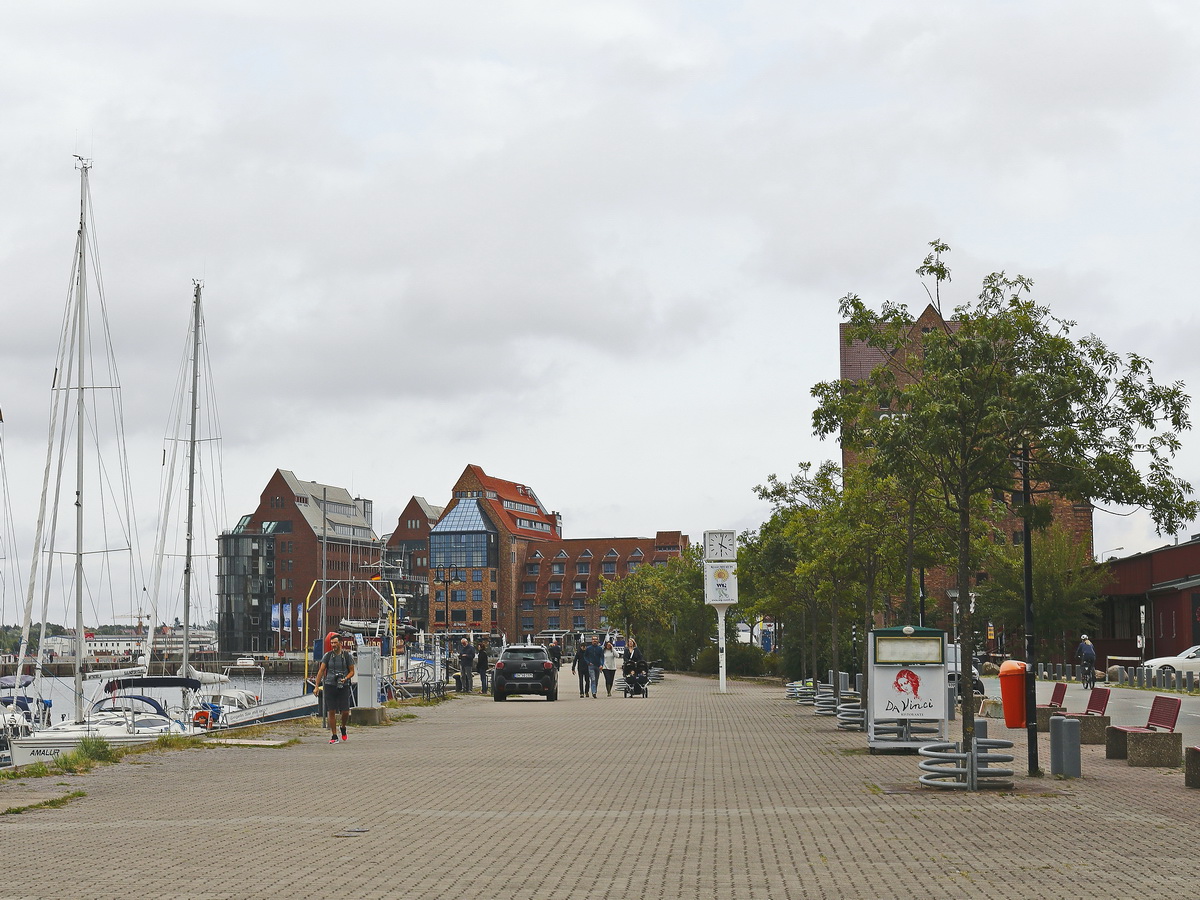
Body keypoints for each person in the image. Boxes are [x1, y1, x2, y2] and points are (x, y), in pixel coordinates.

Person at [314, 634, 356, 743]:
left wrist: (346, 678)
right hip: (330, 685)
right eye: (331, 643)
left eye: (335, 643)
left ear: (340, 643)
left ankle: (343, 727)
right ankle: (334, 735)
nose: (333, 645)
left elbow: (352, 671)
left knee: (345, 711)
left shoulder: (347, 656)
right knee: (331, 711)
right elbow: (321, 671)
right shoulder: (327, 656)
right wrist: (316, 686)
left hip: (343, 685)